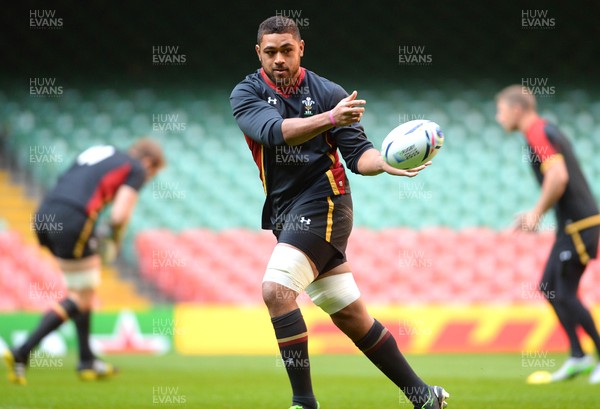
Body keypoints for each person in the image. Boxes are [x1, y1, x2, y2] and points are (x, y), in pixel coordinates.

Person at [230, 16, 449, 409]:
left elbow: (357, 154)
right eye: (270, 52)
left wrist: (383, 163)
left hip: (325, 202)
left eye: (287, 50)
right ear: (258, 53)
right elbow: (275, 132)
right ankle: (424, 397)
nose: (278, 59)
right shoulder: (245, 93)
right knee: (351, 316)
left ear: (301, 49)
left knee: (276, 291)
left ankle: (304, 402)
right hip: (285, 211)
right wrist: (331, 118)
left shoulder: (329, 93)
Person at [4, 138, 165, 385]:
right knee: (80, 296)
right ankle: (23, 351)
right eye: (152, 172)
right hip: (73, 219)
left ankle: (86, 361)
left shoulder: (102, 150)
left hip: (45, 214)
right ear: (148, 162)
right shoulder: (136, 168)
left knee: (83, 292)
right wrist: (114, 240)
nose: (148, 177)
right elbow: (120, 215)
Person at [496, 85, 600, 383]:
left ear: (517, 110)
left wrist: (536, 213)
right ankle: (579, 355)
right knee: (549, 286)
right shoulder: (541, 133)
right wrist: (535, 212)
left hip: (580, 224)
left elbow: (558, 176)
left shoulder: (539, 133)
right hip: (573, 224)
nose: (498, 117)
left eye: (500, 110)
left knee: (564, 292)